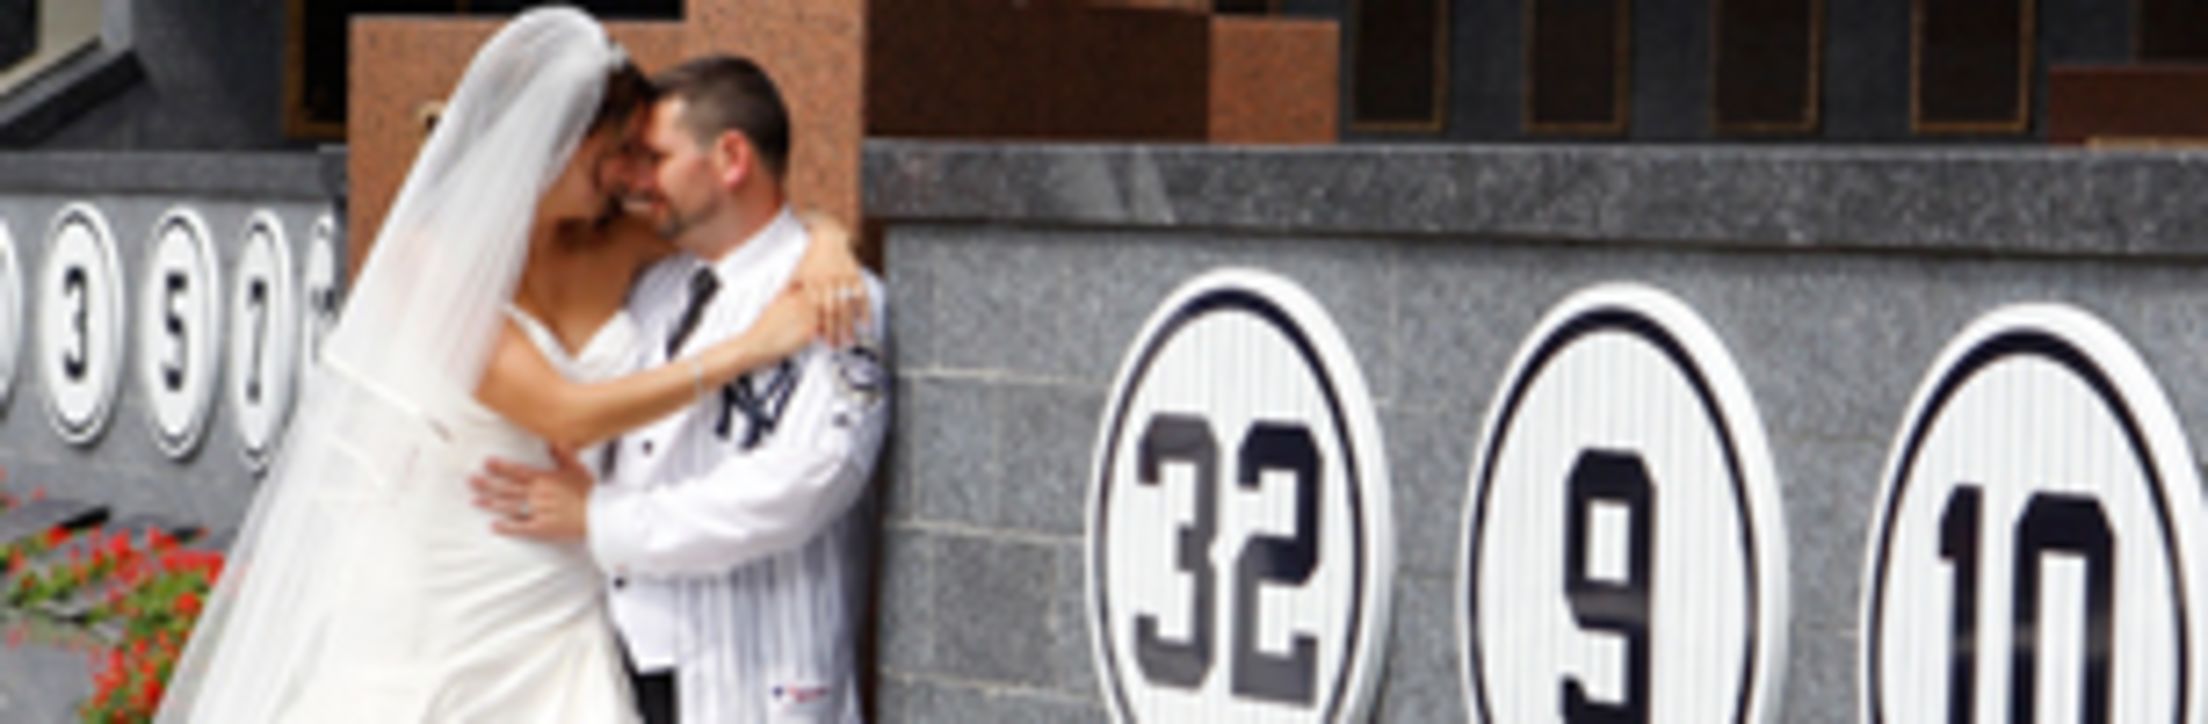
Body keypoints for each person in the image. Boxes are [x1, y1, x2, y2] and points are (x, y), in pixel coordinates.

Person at [155, 10, 867, 723]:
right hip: (455, 579)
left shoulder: (621, 241)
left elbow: (750, 223)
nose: (628, 175)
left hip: (566, 585)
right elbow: (561, 412)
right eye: (616, 149)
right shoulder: (429, 262)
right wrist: (746, 350)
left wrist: (829, 243)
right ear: (554, 141)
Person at [471, 55, 888, 724]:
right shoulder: (658, 285)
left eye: (653, 157)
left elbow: (811, 479)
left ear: (729, 158)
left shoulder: (836, 297)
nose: (633, 181)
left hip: (754, 667)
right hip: (620, 657)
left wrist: (603, 519)